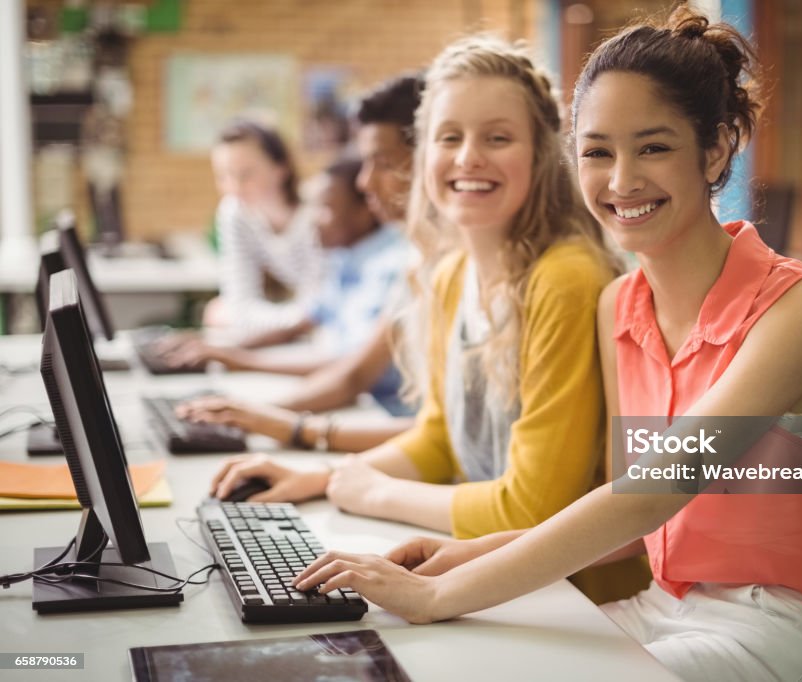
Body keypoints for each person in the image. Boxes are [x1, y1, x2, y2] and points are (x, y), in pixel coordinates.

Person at [288, 7, 802, 681]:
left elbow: (655, 491)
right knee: (444, 662)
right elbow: (638, 521)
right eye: (597, 151)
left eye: (653, 147)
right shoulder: (618, 305)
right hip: (663, 601)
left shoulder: (800, 308)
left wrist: (436, 594)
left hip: (784, 621)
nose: (622, 179)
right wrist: (474, 553)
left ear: (717, 148)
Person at [210, 36, 650, 603]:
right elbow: (441, 439)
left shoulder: (564, 279)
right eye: (450, 137)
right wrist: (325, 479)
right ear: (424, 157)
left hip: (574, 597)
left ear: (541, 155)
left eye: (497, 137)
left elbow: (531, 507)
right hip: (490, 572)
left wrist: (373, 494)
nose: (468, 156)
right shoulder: (450, 274)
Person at [178, 74, 425, 444]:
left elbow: (352, 371)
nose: (365, 182)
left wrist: (269, 413)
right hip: (371, 419)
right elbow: (311, 322)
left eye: (383, 164)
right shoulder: (364, 259)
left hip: (380, 419)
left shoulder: (397, 261)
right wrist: (232, 359)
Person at [165, 156, 410, 387]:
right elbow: (304, 321)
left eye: (325, 209)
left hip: (379, 409)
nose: (314, 220)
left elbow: (350, 366)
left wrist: (240, 361)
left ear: (364, 211)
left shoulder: (389, 267)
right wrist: (219, 346)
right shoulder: (345, 258)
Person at [204, 120, 322, 341]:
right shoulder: (234, 212)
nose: (234, 188)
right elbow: (240, 304)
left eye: (246, 174)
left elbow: (322, 314)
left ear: (280, 169)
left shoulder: (319, 214)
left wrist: (234, 315)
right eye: (223, 176)